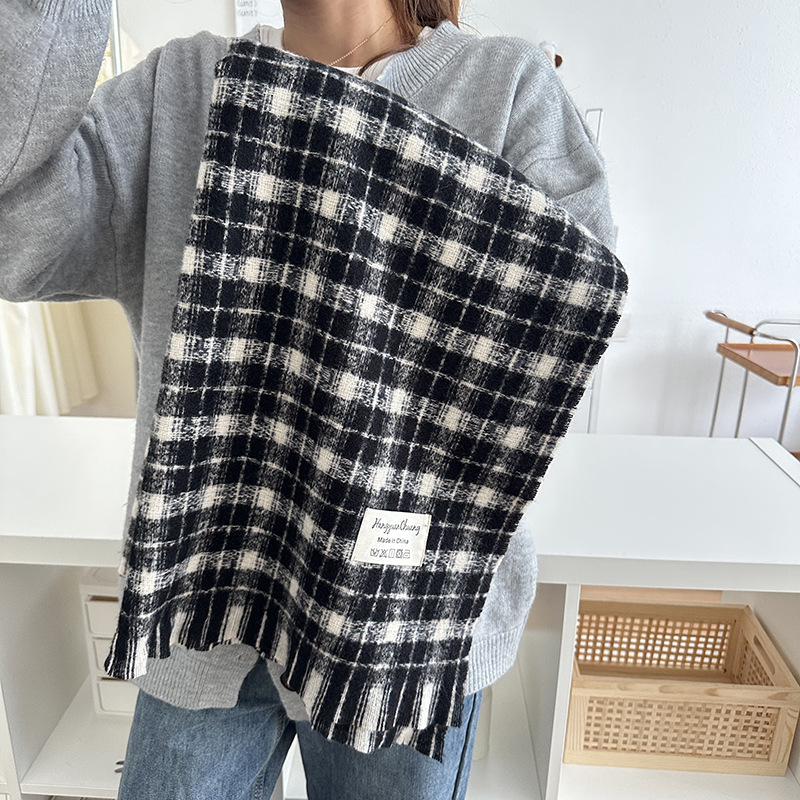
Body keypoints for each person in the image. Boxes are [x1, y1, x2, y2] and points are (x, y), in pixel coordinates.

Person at [0, 1, 613, 797]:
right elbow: (18, 236)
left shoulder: (507, 86)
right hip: (205, 601)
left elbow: (564, 324)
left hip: (398, 618)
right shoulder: (179, 88)